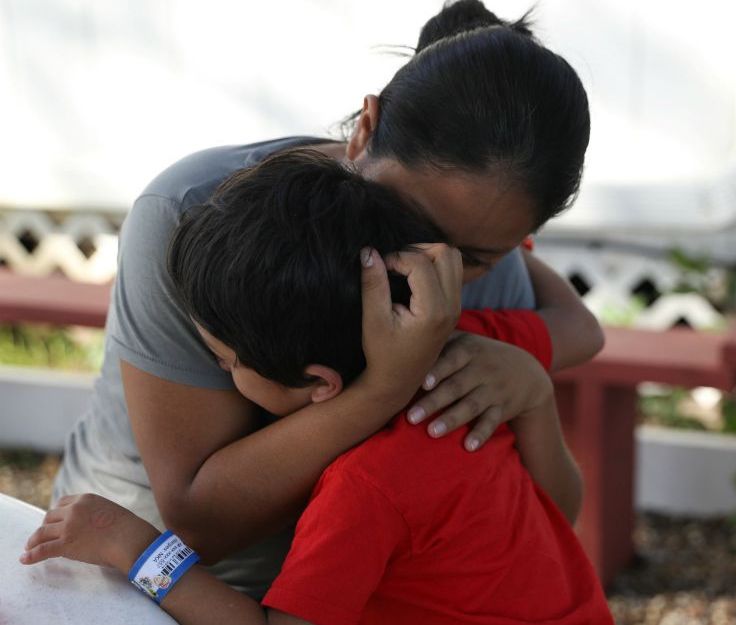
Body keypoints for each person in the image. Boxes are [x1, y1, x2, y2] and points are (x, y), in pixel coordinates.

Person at [51, 0, 599, 599]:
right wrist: (384, 390)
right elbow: (201, 524)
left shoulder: (486, 256)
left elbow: (546, 515)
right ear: (365, 130)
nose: (431, 264)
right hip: (130, 576)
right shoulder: (200, 220)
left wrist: (532, 385)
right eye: (409, 216)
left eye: (475, 257)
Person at [23, 151, 614, 625]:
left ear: (319, 385)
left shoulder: (363, 491)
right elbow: (579, 334)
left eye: (226, 364)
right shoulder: (465, 344)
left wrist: (140, 551)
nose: (220, 374)